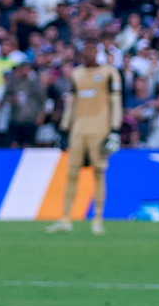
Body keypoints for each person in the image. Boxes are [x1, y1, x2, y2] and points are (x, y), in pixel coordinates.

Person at [46, 43, 121, 235]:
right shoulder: (76, 74)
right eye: (85, 52)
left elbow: (115, 102)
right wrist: (64, 128)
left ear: (98, 53)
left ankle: (98, 219)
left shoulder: (109, 73)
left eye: (92, 51)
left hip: (100, 129)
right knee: (72, 172)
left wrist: (114, 129)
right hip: (78, 130)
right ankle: (65, 219)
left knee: (99, 172)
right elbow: (72, 103)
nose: (88, 55)